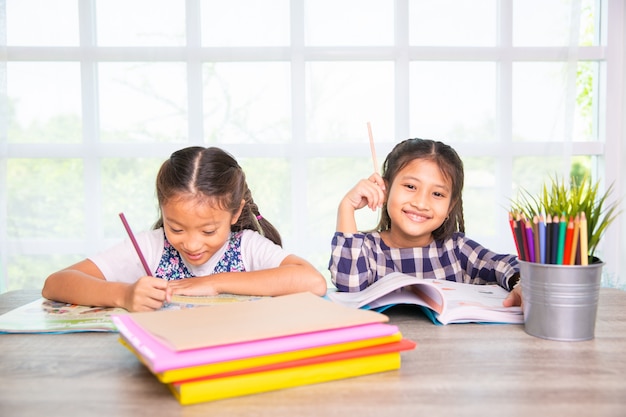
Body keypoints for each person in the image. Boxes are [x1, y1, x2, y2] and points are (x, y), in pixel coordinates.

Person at [43, 146, 327, 312]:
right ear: (162, 211)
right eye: (176, 229)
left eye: (207, 231)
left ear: (236, 212)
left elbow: (312, 281)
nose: (191, 244)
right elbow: (56, 283)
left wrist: (213, 282)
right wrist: (124, 295)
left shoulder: (247, 246)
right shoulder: (152, 246)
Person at [328, 138, 522, 307]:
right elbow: (349, 286)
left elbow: (507, 265)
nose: (421, 203)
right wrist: (346, 207)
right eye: (410, 186)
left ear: (450, 205)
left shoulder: (456, 249)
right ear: (385, 190)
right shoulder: (367, 249)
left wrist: (520, 284)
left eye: (437, 194)